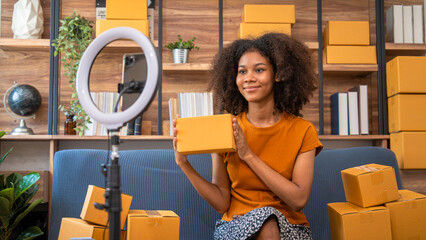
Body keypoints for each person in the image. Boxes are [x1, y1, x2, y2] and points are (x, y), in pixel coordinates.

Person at [172, 32, 323, 240]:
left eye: (259, 70)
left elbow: (298, 200)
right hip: (235, 226)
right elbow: (221, 203)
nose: (249, 78)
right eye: (242, 71)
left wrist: (248, 155)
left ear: (278, 74)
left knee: (269, 221)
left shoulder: (303, 131)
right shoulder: (224, 128)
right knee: (266, 223)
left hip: (289, 227)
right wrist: (184, 164)